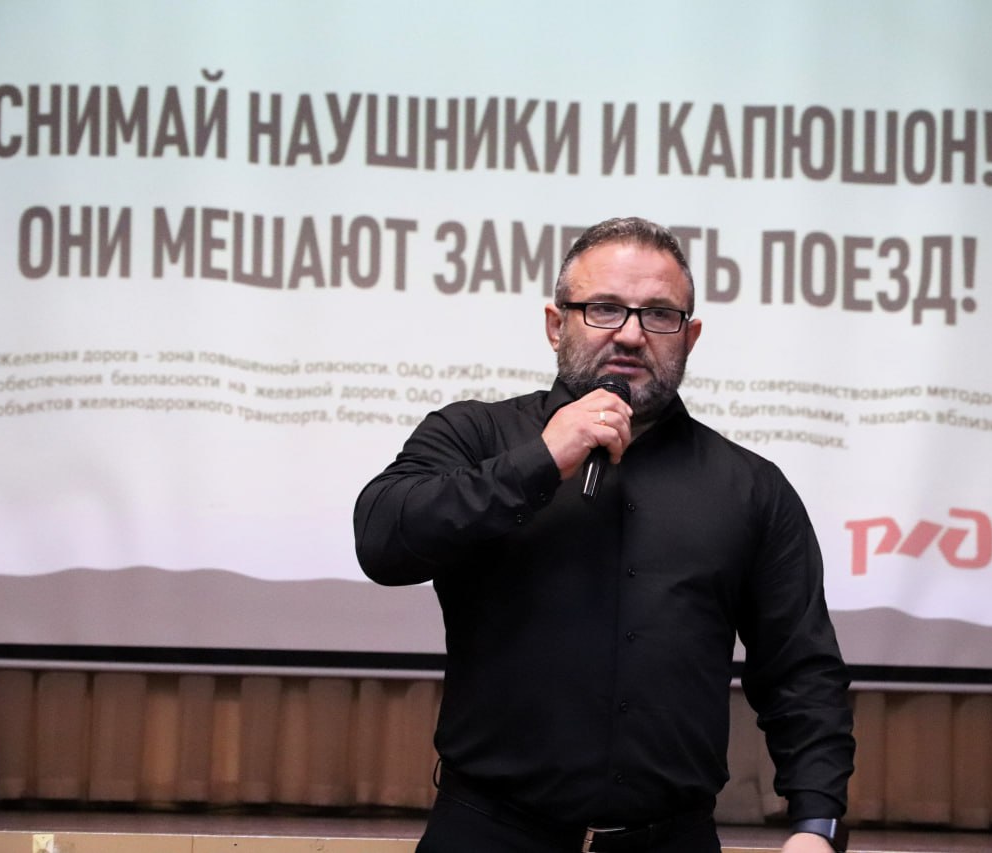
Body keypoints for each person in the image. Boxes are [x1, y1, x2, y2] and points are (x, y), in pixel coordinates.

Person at [354, 216, 854, 853]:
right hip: (488, 832)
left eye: (659, 315)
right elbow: (383, 541)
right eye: (604, 309)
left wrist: (817, 823)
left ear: (690, 336)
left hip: (671, 842)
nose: (631, 334)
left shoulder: (750, 488)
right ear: (555, 324)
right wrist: (541, 460)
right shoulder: (474, 437)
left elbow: (800, 670)